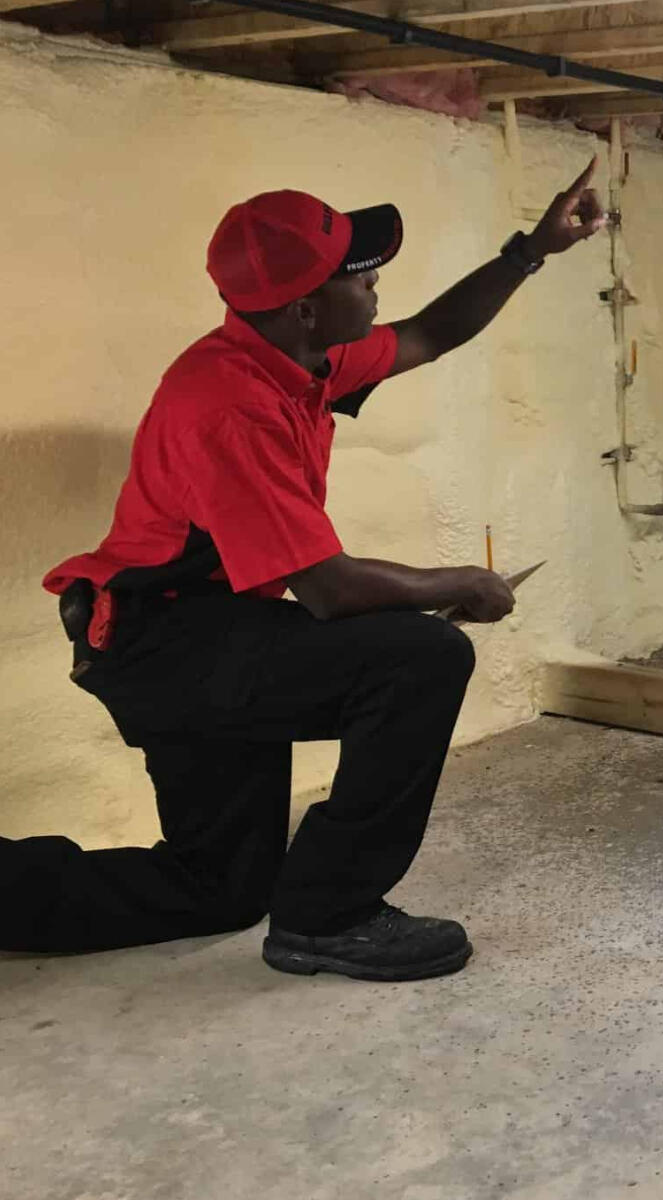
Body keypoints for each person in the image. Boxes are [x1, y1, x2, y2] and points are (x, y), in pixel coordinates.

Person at [1, 160, 607, 981]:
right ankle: (331, 917)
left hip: (205, 628)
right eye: (360, 275)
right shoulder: (229, 404)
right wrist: (462, 582)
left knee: (219, 887)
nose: (375, 283)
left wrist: (531, 250)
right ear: (306, 307)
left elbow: (430, 334)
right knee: (422, 657)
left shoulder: (299, 357)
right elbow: (330, 590)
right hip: (162, 641)